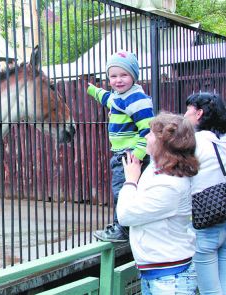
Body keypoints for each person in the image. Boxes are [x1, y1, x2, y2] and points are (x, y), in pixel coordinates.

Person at [116, 112, 199, 294]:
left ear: (164, 143)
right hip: (156, 270)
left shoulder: (169, 184)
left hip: (170, 278)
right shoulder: (158, 168)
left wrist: (130, 180)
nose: (145, 136)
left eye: (151, 134)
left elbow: (125, 214)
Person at [184, 92, 226, 294]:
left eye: (188, 110)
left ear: (199, 113)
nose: (184, 114)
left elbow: (185, 186)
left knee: (210, 291)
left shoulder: (194, 144)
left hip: (205, 224)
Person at [87, 50, 154, 242]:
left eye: (124, 75)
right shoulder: (120, 96)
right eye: (113, 76)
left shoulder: (136, 99)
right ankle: (129, 225)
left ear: (134, 75)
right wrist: (91, 89)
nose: (118, 80)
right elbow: (107, 98)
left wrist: (138, 155)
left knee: (122, 191)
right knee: (127, 190)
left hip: (130, 155)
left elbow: (148, 131)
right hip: (122, 154)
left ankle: (122, 230)